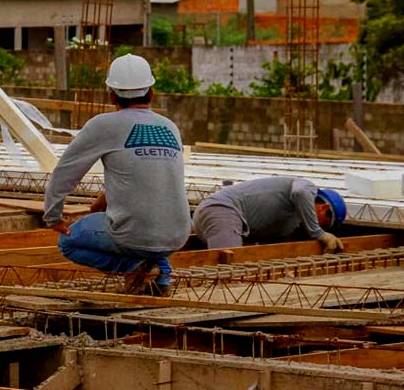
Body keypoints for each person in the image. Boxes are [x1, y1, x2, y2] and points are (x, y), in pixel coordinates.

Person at [43, 54, 191, 296]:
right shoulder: (169, 127)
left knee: (68, 242)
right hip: (177, 234)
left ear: (111, 95)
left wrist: (53, 216)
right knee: (144, 236)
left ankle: (135, 268)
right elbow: (144, 180)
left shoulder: (104, 125)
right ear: (151, 93)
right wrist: (98, 206)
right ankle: (161, 275)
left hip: (135, 234)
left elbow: (66, 172)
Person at [192, 176, 347, 253]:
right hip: (221, 210)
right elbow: (300, 192)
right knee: (229, 270)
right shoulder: (307, 188)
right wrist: (319, 233)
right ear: (323, 207)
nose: (321, 226)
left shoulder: (291, 222)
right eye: (325, 223)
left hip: (216, 219)